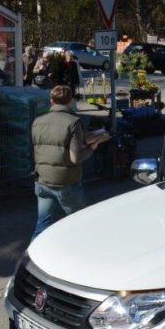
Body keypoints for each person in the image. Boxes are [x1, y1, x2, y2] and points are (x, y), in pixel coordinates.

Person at [31, 86, 108, 239]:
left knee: (43, 224)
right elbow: (75, 157)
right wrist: (92, 147)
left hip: (41, 179)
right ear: (71, 101)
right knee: (80, 222)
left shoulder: (37, 121)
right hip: (66, 181)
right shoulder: (73, 122)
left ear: (51, 101)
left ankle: (30, 257)